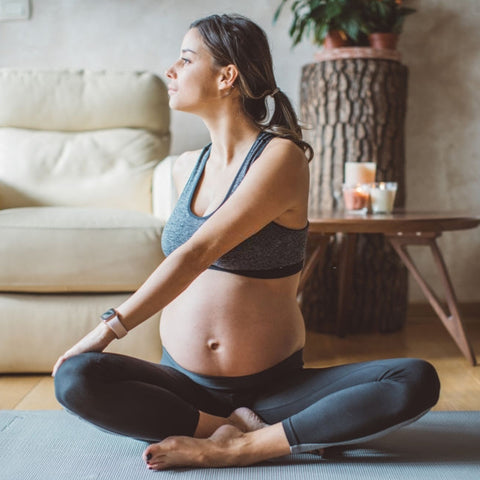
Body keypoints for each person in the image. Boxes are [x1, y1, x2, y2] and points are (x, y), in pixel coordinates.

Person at [53, 14, 440, 471]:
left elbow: (197, 252)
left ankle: (240, 446)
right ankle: (226, 426)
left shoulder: (280, 157)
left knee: (414, 380)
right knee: (75, 378)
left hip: (274, 390)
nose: (170, 71)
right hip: (184, 387)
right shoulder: (184, 169)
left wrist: (105, 331)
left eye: (185, 59)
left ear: (226, 76)